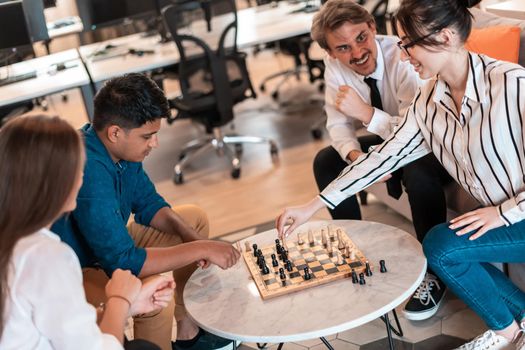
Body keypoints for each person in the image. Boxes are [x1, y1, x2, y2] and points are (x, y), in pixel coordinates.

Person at [278, 0, 525, 348]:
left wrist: (501, 214)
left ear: (447, 36)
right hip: (506, 220)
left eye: (409, 43)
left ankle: (505, 333)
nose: (403, 54)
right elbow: (384, 156)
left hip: (518, 214)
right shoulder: (429, 99)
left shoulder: (513, 85)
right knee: (439, 245)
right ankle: (516, 327)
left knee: (441, 246)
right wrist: (312, 205)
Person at [51, 73, 241, 350]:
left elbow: (149, 204)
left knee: (193, 219)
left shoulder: (121, 152)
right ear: (115, 133)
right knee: (155, 294)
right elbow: (123, 262)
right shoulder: (88, 167)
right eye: (148, 136)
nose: (155, 144)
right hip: (77, 269)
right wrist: (202, 249)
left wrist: (194, 240)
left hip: (107, 248)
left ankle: (188, 333)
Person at [310, 0, 451, 321]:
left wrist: (365, 114)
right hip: (386, 136)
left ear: (373, 28)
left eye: (361, 37)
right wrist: (358, 159)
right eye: (343, 47)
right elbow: (338, 125)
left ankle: (435, 273)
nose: (357, 52)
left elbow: (415, 131)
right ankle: (354, 255)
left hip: (427, 142)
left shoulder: (403, 58)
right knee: (326, 161)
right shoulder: (335, 69)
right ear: (330, 53)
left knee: (417, 173)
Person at [0, 115, 176, 350]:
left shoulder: (17, 242)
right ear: (53, 183)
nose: (83, 177)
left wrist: (127, 306)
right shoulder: (46, 257)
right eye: (77, 169)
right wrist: (120, 298)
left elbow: (54, 325)